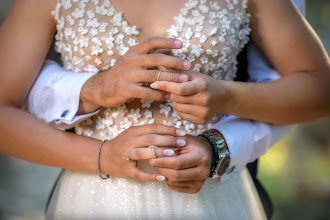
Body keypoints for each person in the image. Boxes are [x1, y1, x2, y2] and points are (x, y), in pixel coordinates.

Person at [0, 0, 329, 219]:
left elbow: (319, 89)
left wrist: (226, 97)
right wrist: (102, 154)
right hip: (95, 199)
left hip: (214, 197)